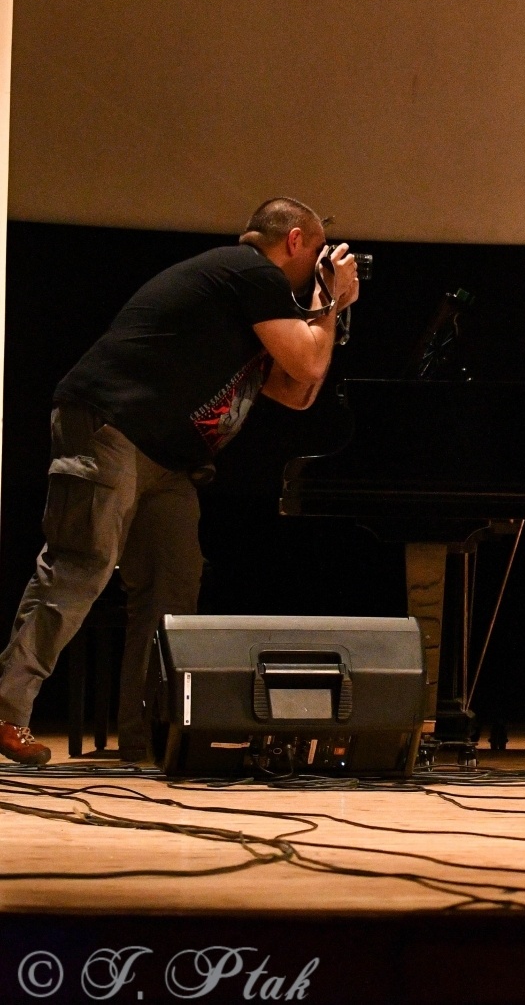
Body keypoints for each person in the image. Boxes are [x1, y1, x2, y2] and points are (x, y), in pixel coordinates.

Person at [0, 198, 359, 766]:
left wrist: (324, 310)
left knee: (173, 588)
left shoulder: (253, 299)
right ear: (294, 242)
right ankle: (5, 711)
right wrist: (331, 299)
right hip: (111, 427)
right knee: (81, 565)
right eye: (316, 254)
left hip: (166, 461)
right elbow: (309, 367)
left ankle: (145, 738)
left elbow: (298, 390)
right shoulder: (250, 272)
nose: (320, 264)